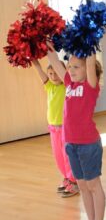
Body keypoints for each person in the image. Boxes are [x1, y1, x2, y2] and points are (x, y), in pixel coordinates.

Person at [47, 45, 106, 220]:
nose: (71, 70)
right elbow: (55, 61)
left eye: (76, 67)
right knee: (81, 185)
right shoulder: (68, 84)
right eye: (70, 66)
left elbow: (90, 61)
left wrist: (88, 40)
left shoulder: (90, 86)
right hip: (71, 144)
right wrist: (43, 44)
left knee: (93, 185)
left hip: (88, 144)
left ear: (88, 71)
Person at [31, 59, 79, 198]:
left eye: (56, 73)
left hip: (66, 128)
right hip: (54, 128)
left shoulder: (67, 87)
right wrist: (35, 63)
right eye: (50, 74)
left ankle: (74, 181)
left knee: (68, 156)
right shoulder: (50, 87)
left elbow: (66, 76)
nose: (53, 77)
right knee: (58, 156)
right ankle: (66, 178)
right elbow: (41, 74)